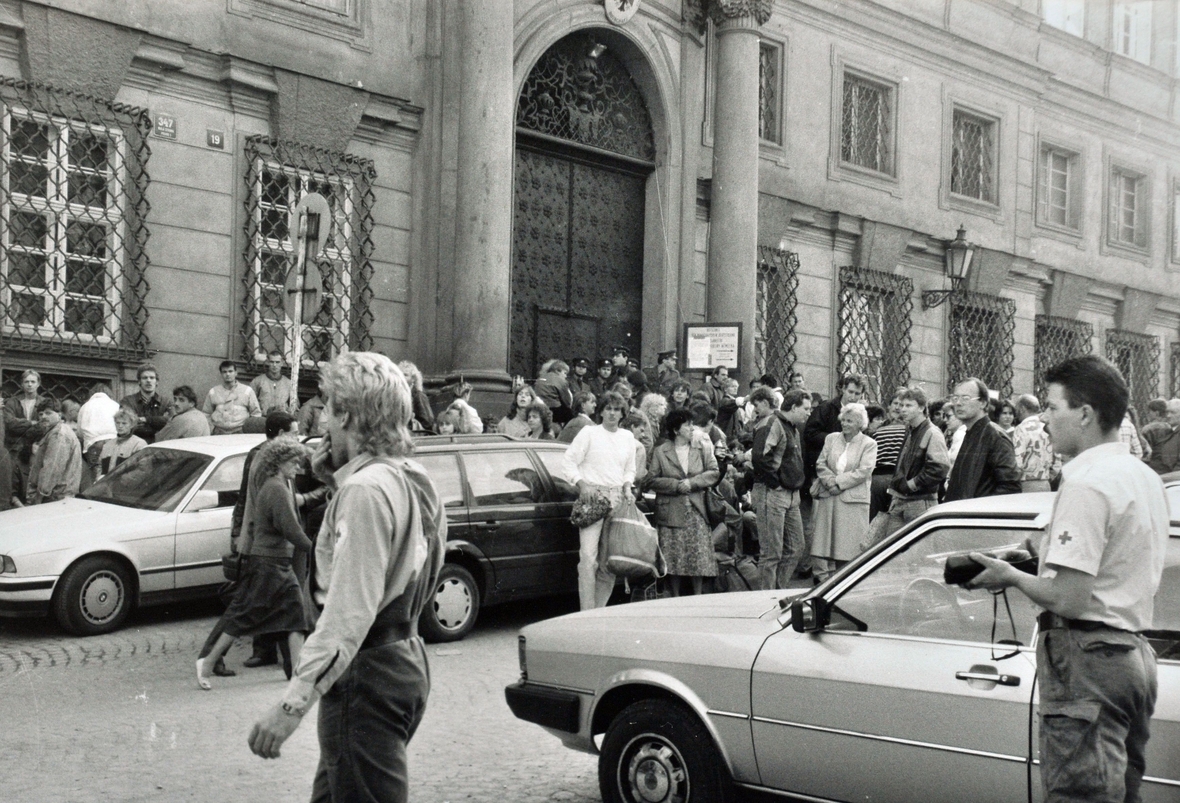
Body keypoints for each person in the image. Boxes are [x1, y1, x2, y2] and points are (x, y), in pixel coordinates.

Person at [247, 352, 447, 803]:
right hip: (404, 657)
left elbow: (347, 613)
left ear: (347, 413)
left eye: (328, 408)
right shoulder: (412, 477)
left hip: (366, 674)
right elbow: (427, 566)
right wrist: (333, 470)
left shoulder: (363, 492)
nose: (322, 422)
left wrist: (291, 705)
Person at [968, 354, 1168, 803]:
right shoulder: (1142, 476)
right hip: (1133, 652)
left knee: (1081, 795)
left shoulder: (1086, 483)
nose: (1044, 418)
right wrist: (1037, 554)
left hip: (1087, 660)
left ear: (1084, 414)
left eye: (1053, 407)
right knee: (1119, 791)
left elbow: (1070, 597)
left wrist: (1010, 576)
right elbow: (1116, 559)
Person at [198, 437, 314, 688]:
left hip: (275, 561)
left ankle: (297, 673)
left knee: (296, 616)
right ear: (280, 462)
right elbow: (290, 529)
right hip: (270, 563)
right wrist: (314, 547)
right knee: (246, 616)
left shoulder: (276, 484)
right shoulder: (276, 488)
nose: (298, 467)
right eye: (294, 462)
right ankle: (207, 663)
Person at [561, 391, 636, 610]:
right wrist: (582, 484)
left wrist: (628, 486)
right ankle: (586, 610)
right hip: (593, 499)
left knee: (609, 560)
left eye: (617, 409)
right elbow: (568, 462)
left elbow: (629, 468)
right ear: (601, 411)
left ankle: (599, 610)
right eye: (608, 409)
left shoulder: (627, 437)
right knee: (587, 557)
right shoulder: (589, 433)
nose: (612, 414)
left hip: (617, 499)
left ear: (623, 413)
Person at [646, 408, 719, 596]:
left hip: (697, 508)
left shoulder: (701, 447)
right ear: (676, 430)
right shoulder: (661, 451)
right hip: (671, 511)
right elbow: (651, 480)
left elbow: (713, 472)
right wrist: (676, 485)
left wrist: (692, 483)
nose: (692, 428)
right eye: (688, 425)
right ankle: (675, 596)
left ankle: (698, 595)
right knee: (673, 555)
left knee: (699, 555)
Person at [866, 386, 949, 548]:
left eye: (908, 405)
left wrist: (911, 484)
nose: (902, 409)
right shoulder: (911, 430)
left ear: (921, 408)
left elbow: (940, 468)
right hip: (901, 501)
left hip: (920, 502)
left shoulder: (932, 432)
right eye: (902, 405)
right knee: (892, 551)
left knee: (918, 550)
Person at [744, 387, 809, 591]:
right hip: (772, 493)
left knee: (796, 548)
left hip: (790, 494)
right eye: (805, 408)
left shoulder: (793, 428)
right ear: (794, 406)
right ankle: (765, 600)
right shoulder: (773, 423)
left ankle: (776, 592)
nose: (809, 412)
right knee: (772, 552)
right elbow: (759, 457)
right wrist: (776, 483)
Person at [802, 375, 865, 576]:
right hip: (823, 475)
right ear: (842, 389)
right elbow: (810, 433)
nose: (853, 396)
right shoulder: (826, 408)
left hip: (844, 481)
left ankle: (832, 572)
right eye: (851, 391)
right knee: (820, 526)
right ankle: (819, 572)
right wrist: (835, 441)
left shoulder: (860, 412)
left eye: (857, 393)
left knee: (839, 529)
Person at [810, 403, 877, 582]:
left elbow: (864, 471)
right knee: (831, 549)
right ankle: (831, 585)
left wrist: (839, 483)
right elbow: (821, 463)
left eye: (850, 421)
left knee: (849, 550)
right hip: (830, 497)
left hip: (853, 502)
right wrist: (830, 483)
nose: (845, 424)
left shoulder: (869, 444)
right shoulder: (831, 438)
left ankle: (846, 585)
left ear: (859, 424)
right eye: (844, 420)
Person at [943, 378, 1021, 502]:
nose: (958, 403)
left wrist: (978, 510)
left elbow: (1010, 487)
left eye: (965, 398)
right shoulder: (970, 432)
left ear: (983, 403)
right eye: (955, 398)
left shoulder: (995, 436)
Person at [26, 397, 82, 504]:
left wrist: (40, 496)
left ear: (59, 414)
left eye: (48, 413)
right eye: (41, 414)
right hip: (56, 496)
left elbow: (52, 468)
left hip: (55, 497)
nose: (43, 417)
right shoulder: (54, 432)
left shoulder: (58, 434)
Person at [4, 369, 44, 499]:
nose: (30, 384)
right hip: (15, 449)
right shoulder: (12, 402)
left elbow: (43, 425)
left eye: (33, 381)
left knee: (34, 480)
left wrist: (24, 425)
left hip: (35, 449)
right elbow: (10, 423)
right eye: (26, 381)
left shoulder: (44, 402)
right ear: (21, 384)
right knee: (14, 484)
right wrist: (31, 423)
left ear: (38, 384)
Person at [869, 392, 908, 520]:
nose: (897, 408)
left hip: (877, 480)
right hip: (897, 479)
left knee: (875, 521)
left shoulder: (878, 431)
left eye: (901, 405)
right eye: (895, 404)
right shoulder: (908, 432)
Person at [77, 383, 120, 489]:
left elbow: (79, 432)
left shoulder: (85, 407)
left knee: (96, 476)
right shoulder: (115, 404)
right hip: (113, 442)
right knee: (112, 474)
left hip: (94, 443)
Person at [203, 361, 262, 435]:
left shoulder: (247, 391)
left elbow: (256, 413)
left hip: (240, 432)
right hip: (218, 433)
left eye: (230, 371)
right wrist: (212, 430)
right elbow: (206, 413)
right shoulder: (213, 391)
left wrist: (247, 431)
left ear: (236, 373)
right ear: (221, 374)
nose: (227, 374)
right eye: (224, 372)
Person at [1011, 394, 1055, 492]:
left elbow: (1017, 461)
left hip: (1027, 484)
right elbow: (1057, 459)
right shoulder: (1048, 427)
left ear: (1022, 408)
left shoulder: (1021, 429)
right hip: (1046, 483)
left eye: (1017, 408)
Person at [120, 363, 169, 444]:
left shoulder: (166, 402)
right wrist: (157, 424)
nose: (148, 380)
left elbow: (171, 422)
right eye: (145, 378)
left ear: (156, 382)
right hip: (133, 446)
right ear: (139, 382)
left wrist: (146, 420)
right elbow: (127, 425)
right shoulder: (127, 401)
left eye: (152, 378)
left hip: (159, 446)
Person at [97, 407, 147, 477]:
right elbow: (99, 466)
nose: (120, 426)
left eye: (124, 423)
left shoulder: (139, 444)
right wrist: (99, 479)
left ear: (132, 425)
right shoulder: (107, 445)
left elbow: (142, 469)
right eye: (118, 423)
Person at [251, 351, 295, 415]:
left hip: (282, 419)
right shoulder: (257, 381)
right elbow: (251, 402)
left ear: (282, 363)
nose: (274, 365)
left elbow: (294, 404)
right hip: (263, 418)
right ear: (268, 362)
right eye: (272, 362)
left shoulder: (288, 383)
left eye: (277, 362)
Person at [535, 360, 574, 426]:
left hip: (538, 408)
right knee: (571, 416)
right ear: (558, 371)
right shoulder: (561, 381)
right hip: (554, 410)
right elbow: (567, 401)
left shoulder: (540, 378)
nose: (566, 376)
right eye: (565, 373)